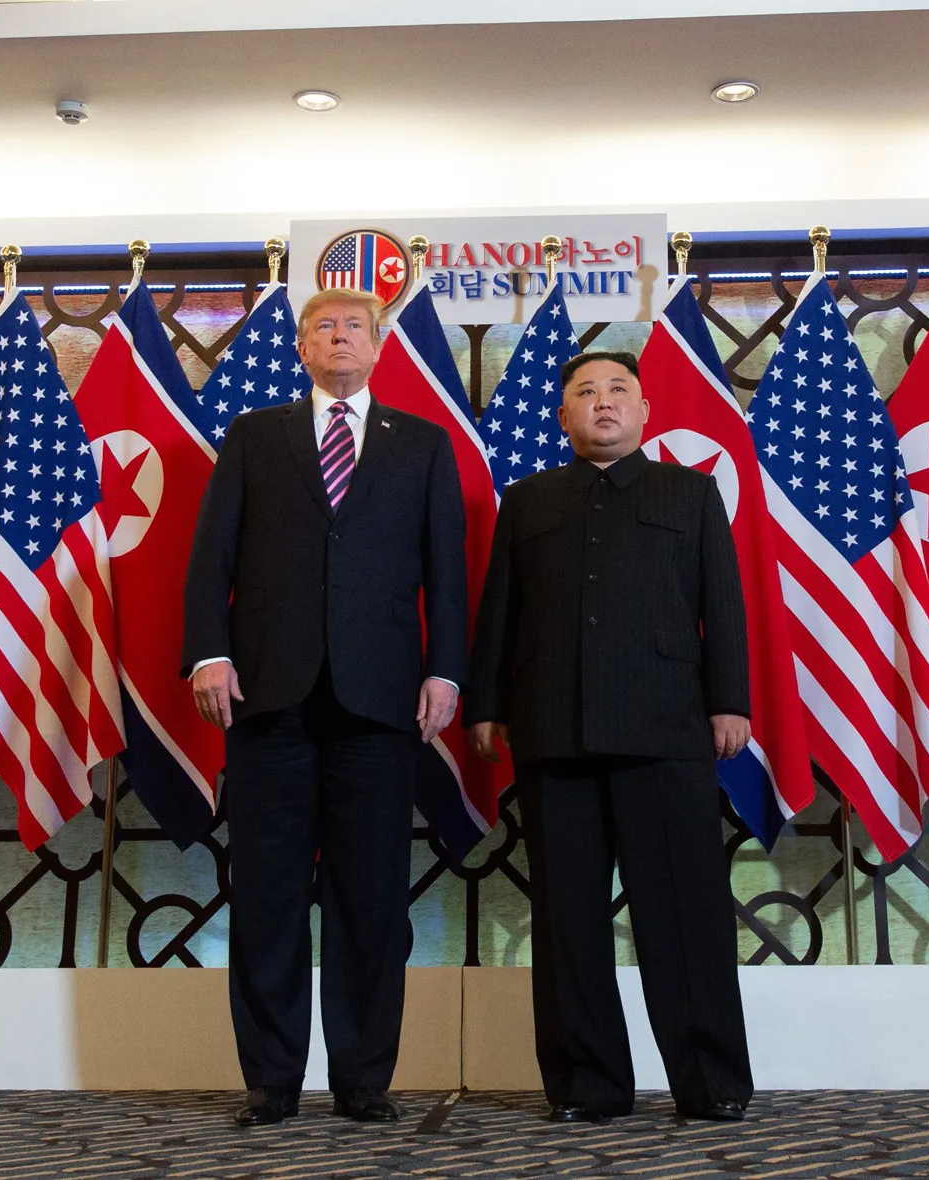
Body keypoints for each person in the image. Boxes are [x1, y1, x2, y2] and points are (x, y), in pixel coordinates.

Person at [182, 287, 468, 1126]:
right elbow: (211, 555)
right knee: (266, 893)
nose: (339, 337)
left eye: (354, 327)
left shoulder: (423, 443)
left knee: (370, 898)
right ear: (302, 347)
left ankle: (363, 1079)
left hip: (380, 702)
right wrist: (209, 652)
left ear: (378, 347)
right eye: (323, 327)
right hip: (269, 696)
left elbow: (447, 571)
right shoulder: (253, 435)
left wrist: (446, 673)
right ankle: (271, 1080)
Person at [465, 349, 753, 1124]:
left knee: (684, 914)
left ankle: (712, 1082)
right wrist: (486, 703)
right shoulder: (527, 499)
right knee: (568, 919)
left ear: (644, 410)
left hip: (666, 729)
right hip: (553, 729)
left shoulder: (690, 493)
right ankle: (587, 1085)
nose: (602, 402)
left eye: (618, 390)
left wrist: (730, 701)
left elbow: (722, 604)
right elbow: (500, 608)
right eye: (585, 392)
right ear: (563, 415)